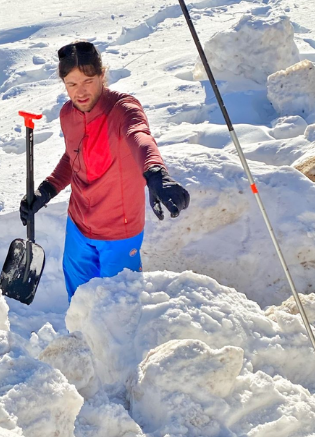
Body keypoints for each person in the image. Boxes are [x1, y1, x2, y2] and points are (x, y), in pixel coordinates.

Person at [20, 41, 191, 300]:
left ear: (102, 75)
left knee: (120, 306)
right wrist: (46, 190)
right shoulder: (68, 113)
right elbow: (73, 156)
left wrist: (156, 172)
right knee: (79, 303)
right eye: (72, 84)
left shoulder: (123, 109)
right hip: (78, 226)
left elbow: (140, 137)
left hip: (118, 233)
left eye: (88, 80)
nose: (80, 92)